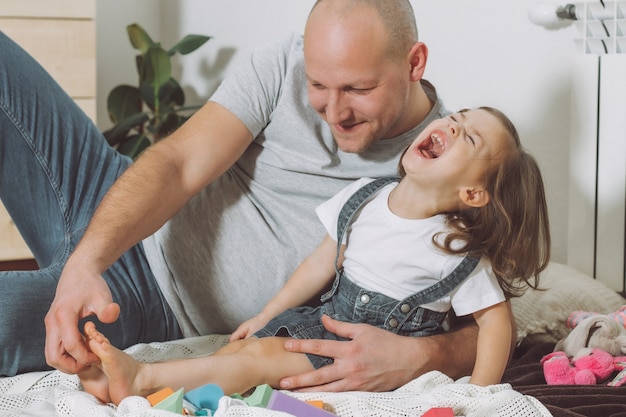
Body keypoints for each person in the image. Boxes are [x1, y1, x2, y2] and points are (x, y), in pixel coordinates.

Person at [0, 0, 508, 389]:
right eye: (318, 85)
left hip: (147, 301)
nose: (334, 111)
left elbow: (496, 313)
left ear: (415, 62)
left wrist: (420, 356)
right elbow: (178, 165)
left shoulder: (450, 165)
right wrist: (86, 260)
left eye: (358, 89)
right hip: (113, 203)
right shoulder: (281, 65)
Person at [78, 106, 551, 404]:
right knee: (243, 348)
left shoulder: (455, 249)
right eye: (458, 116)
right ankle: (167, 392)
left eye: (468, 137)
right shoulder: (366, 196)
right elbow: (320, 264)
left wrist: (480, 393)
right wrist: (268, 311)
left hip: (361, 352)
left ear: (472, 194)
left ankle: (139, 378)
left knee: (258, 360)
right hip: (323, 320)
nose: (451, 123)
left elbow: (494, 322)